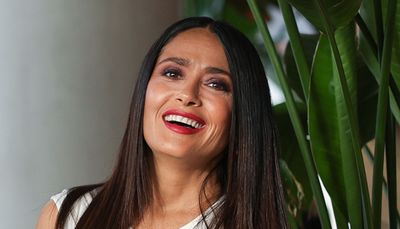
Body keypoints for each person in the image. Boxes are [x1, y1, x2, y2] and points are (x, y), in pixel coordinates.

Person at [36, 17, 288, 229]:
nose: (188, 94)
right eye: (172, 73)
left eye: (216, 84)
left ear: (244, 115)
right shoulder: (68, 215)